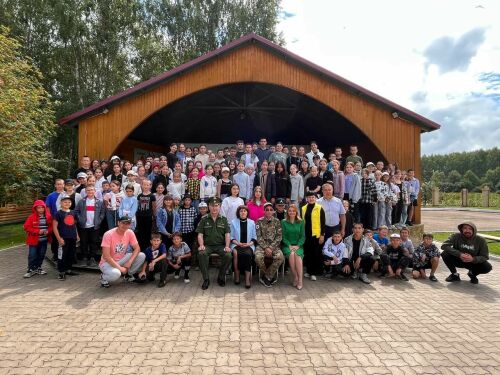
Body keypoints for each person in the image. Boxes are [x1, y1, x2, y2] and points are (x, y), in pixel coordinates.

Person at [99, 216, 146, 288]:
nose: (125, 225)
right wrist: (121, 269)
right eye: (123, 223)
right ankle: (103, 277)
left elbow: (137, 248)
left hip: (122, 259)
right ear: (118, 223)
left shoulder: (130, 232)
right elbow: (106, 256)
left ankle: (128, 275)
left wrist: (130, 262)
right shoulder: (108, 234)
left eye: (128, 223)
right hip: (107, 262)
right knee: (116, 274)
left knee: (142, 255)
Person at [196, 197, 232, 290]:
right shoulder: (204, 219)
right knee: (201, 254)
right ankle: (206, 279)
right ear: (209, 207)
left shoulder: (224, 219)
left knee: (228, 255)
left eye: (216, 205)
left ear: (220, 207)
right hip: (208, 246)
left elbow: (227, 234)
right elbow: (200, 234)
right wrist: (201, 245)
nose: (214, 208)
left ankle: (221, 276)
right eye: (212, 205)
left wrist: (227, 246)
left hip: (220, 246)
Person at [74, 186, 105, 266]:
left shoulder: (99, 202)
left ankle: (92, 258)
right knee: (83, 242)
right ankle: (84, 258)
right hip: (83, 226)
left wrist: (99, 220)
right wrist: (80, 219)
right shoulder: (81, 201)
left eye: (91, 190)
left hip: (95, 226)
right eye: (88, 190)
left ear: (95, 191)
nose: (90, 191)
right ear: (85, 192)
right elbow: (76, 211)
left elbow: (102, 212)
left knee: (93, 242)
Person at [255, 203, 284, 287]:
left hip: (274, 246)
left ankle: (266, 277)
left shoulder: (277, 221)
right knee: (258, 257)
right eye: (267, 210)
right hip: (261, 246)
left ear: (273, 211)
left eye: (271, 210)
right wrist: (265, 248)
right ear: (264, 211)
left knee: (280, 257)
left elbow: (279, 236)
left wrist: (270, 248)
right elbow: (258, 236)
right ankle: (269, 276)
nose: (269, 211)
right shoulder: (259, 221)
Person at [23, 200, 52, 278]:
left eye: (42, 207)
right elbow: (26, 227)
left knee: (41, 254)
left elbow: (52, 227)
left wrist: (48, 231)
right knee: (32, 255)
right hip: (33, 241)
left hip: (44, 240)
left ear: (44, 208)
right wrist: (38, 231)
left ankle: (38, 267)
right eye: (38, 208)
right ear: (35, 209)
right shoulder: (31, 217)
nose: (40, 209)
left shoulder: (48, 216)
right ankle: (30, 269)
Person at [52, 196, 79, 280]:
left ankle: (68, 269)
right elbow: (54, 227)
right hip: (63, 238)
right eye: (65, 202)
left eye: (69, 202)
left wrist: (77, 235)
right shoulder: (58, 214)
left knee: (71, 254)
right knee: (62, 255)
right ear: (61, 203)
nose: (67, 204)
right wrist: (59, 238)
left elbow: (74, 225)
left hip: (72, 237)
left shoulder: (73, 212)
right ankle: (61, 272)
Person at [230, 205, 257, 288]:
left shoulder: (252, 222)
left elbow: (254, 236)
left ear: (247, 213)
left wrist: (249, 244)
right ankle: (237, 276)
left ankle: (247, 278)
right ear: (238, 213)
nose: (243, 212)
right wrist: (238, 243)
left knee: (248, 255)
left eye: (245, 211)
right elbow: (231, 237)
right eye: (241, 211)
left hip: (248, 245)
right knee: (235, 253)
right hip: (236, 244)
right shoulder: (233, 222)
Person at [301, 192, 326, 281]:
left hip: (316, 235)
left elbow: (323, 223)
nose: (311, 199)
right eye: (309, 197)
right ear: (307, 198)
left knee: (315, 254)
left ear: (316, 198)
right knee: (307, 253)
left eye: (313, 197)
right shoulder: (303, 208)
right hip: (306, 235)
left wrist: (322, 235)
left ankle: (313, 273)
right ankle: (308, 271)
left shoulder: (319, 208)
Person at [281, 204, 305, 289]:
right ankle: (295, 276)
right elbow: (283, 236)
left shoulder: (301, 222)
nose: (292, 212)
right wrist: (289, 245)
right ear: (287, 212)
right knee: (291, 254)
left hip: (298, 246)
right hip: (287, 245)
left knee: (297, 255)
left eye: (293, 211)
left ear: (296, 212)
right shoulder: (283, 222)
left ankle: (300, 280)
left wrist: (298, 245)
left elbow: (303, 236)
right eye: (290, 211)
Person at [45, 179, 65, 261]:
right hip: (54, 219)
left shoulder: (66, 194)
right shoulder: (51, 195)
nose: (59, 186)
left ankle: (63, 253)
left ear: (64, 185)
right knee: (55, 237)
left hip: (64, 220)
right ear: (55, 185)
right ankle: (55, 254)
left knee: (63, 236)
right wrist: (49, 218)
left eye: (61, 184)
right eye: (58, 184)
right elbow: (48, 207)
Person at [136, 180, 156, 252]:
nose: (146, 186)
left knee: (147, 232)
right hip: (140, 216)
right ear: (142, 185)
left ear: (150, 186)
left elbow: (154, 207)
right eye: (144, 185)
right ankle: (140, 247)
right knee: (140, 232)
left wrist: (154, 215)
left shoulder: (152, 196)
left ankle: (147, 247)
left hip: (148, 216)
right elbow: (137, 205)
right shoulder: (139, 196)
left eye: (148, 185)